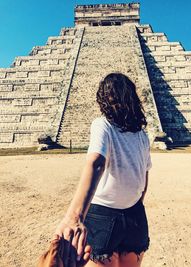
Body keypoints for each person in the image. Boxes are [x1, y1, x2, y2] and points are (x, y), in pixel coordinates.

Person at [55, 73, 152, 267]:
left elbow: (96, 162)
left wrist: (74, 217)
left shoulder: (103, 125)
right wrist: (133, 204)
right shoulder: (141, 134)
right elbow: (145, 176)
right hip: (135, 216)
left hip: (103, 216)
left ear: (103, 99)